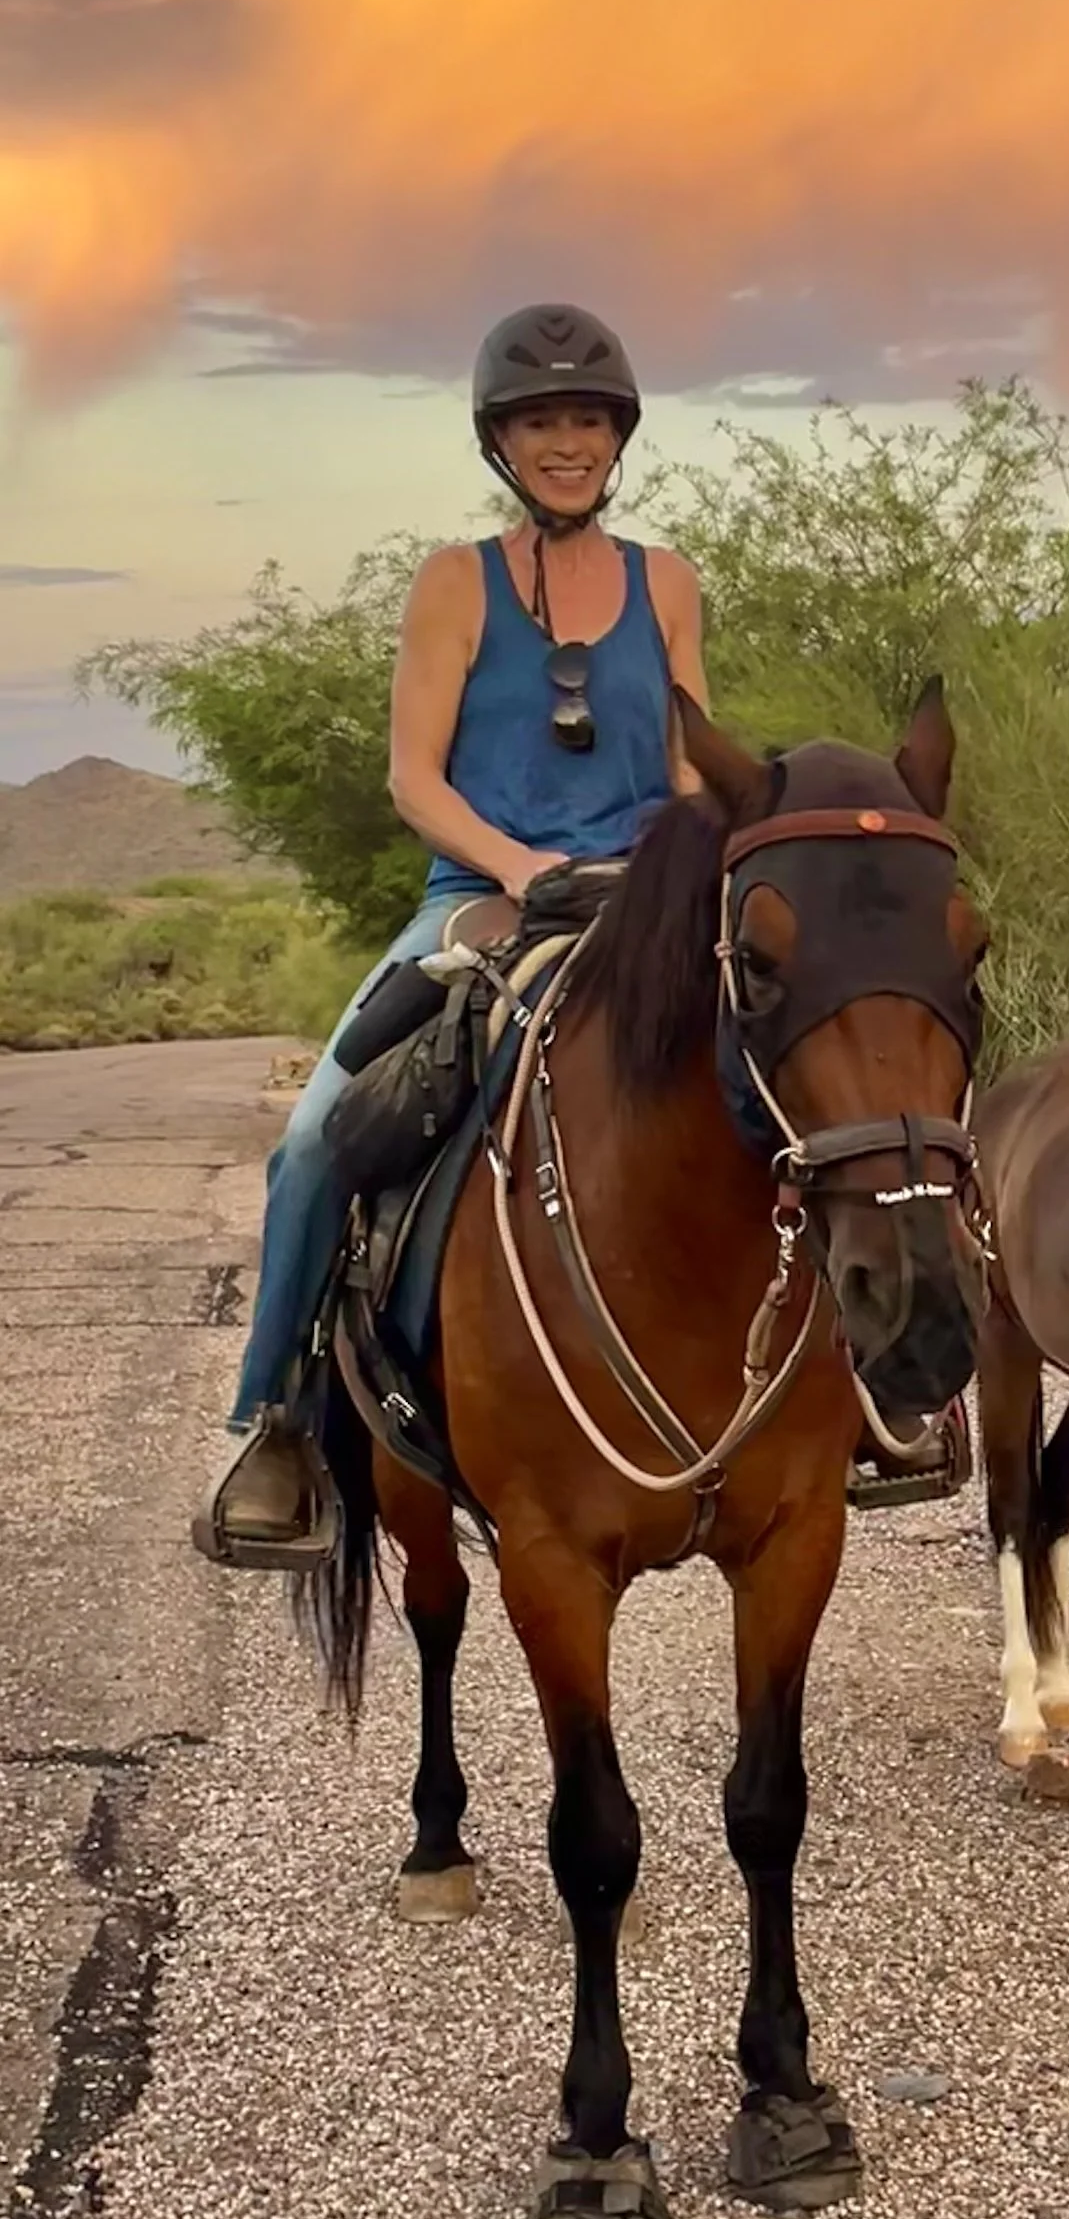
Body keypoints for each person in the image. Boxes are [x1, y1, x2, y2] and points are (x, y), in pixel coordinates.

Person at [194, 302, 708, 1569]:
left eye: (586, 418)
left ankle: (878, 1396)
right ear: (501, 442)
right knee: (316, 1138)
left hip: (649, 902)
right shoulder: (453, 582)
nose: (566, 441)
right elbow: (415, 779)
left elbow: (696, 769)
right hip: (479, 898)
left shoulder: (670, 583)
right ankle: (279, 1428)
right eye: (540, 422)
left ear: (618, 434)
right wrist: (529, 866)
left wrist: (701, 867)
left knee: (818, 1068)